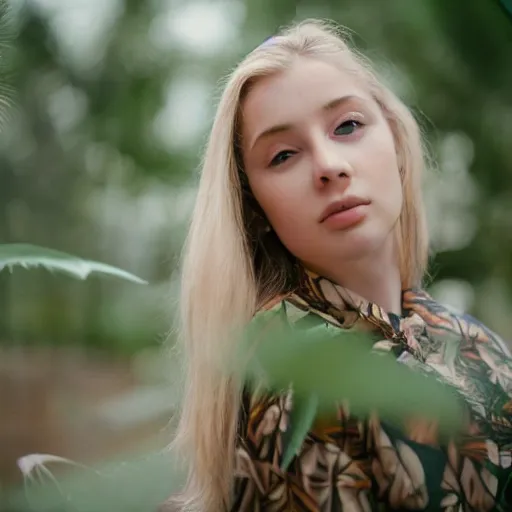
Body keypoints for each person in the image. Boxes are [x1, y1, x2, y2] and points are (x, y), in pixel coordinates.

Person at [162, 19, 512, 511]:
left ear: (394, 141)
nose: (328, 164)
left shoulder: (468, 338)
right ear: (255, 209)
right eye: (283, 155)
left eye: (347, 126)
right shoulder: (299, 381)